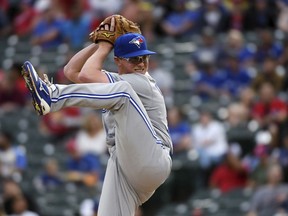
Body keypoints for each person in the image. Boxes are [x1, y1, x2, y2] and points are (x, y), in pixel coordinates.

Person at [21, 16, 172, 216]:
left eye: (144, 57)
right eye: (134, 58)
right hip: (126, 168)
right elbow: (72, 71)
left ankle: (52, 96)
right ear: (118, 60)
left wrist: (104, 45)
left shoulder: (143, 83)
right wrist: (98, 44)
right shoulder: (117, 81)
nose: (141, 63)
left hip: (153, 157)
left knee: (124, 93)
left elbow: (85, 75)